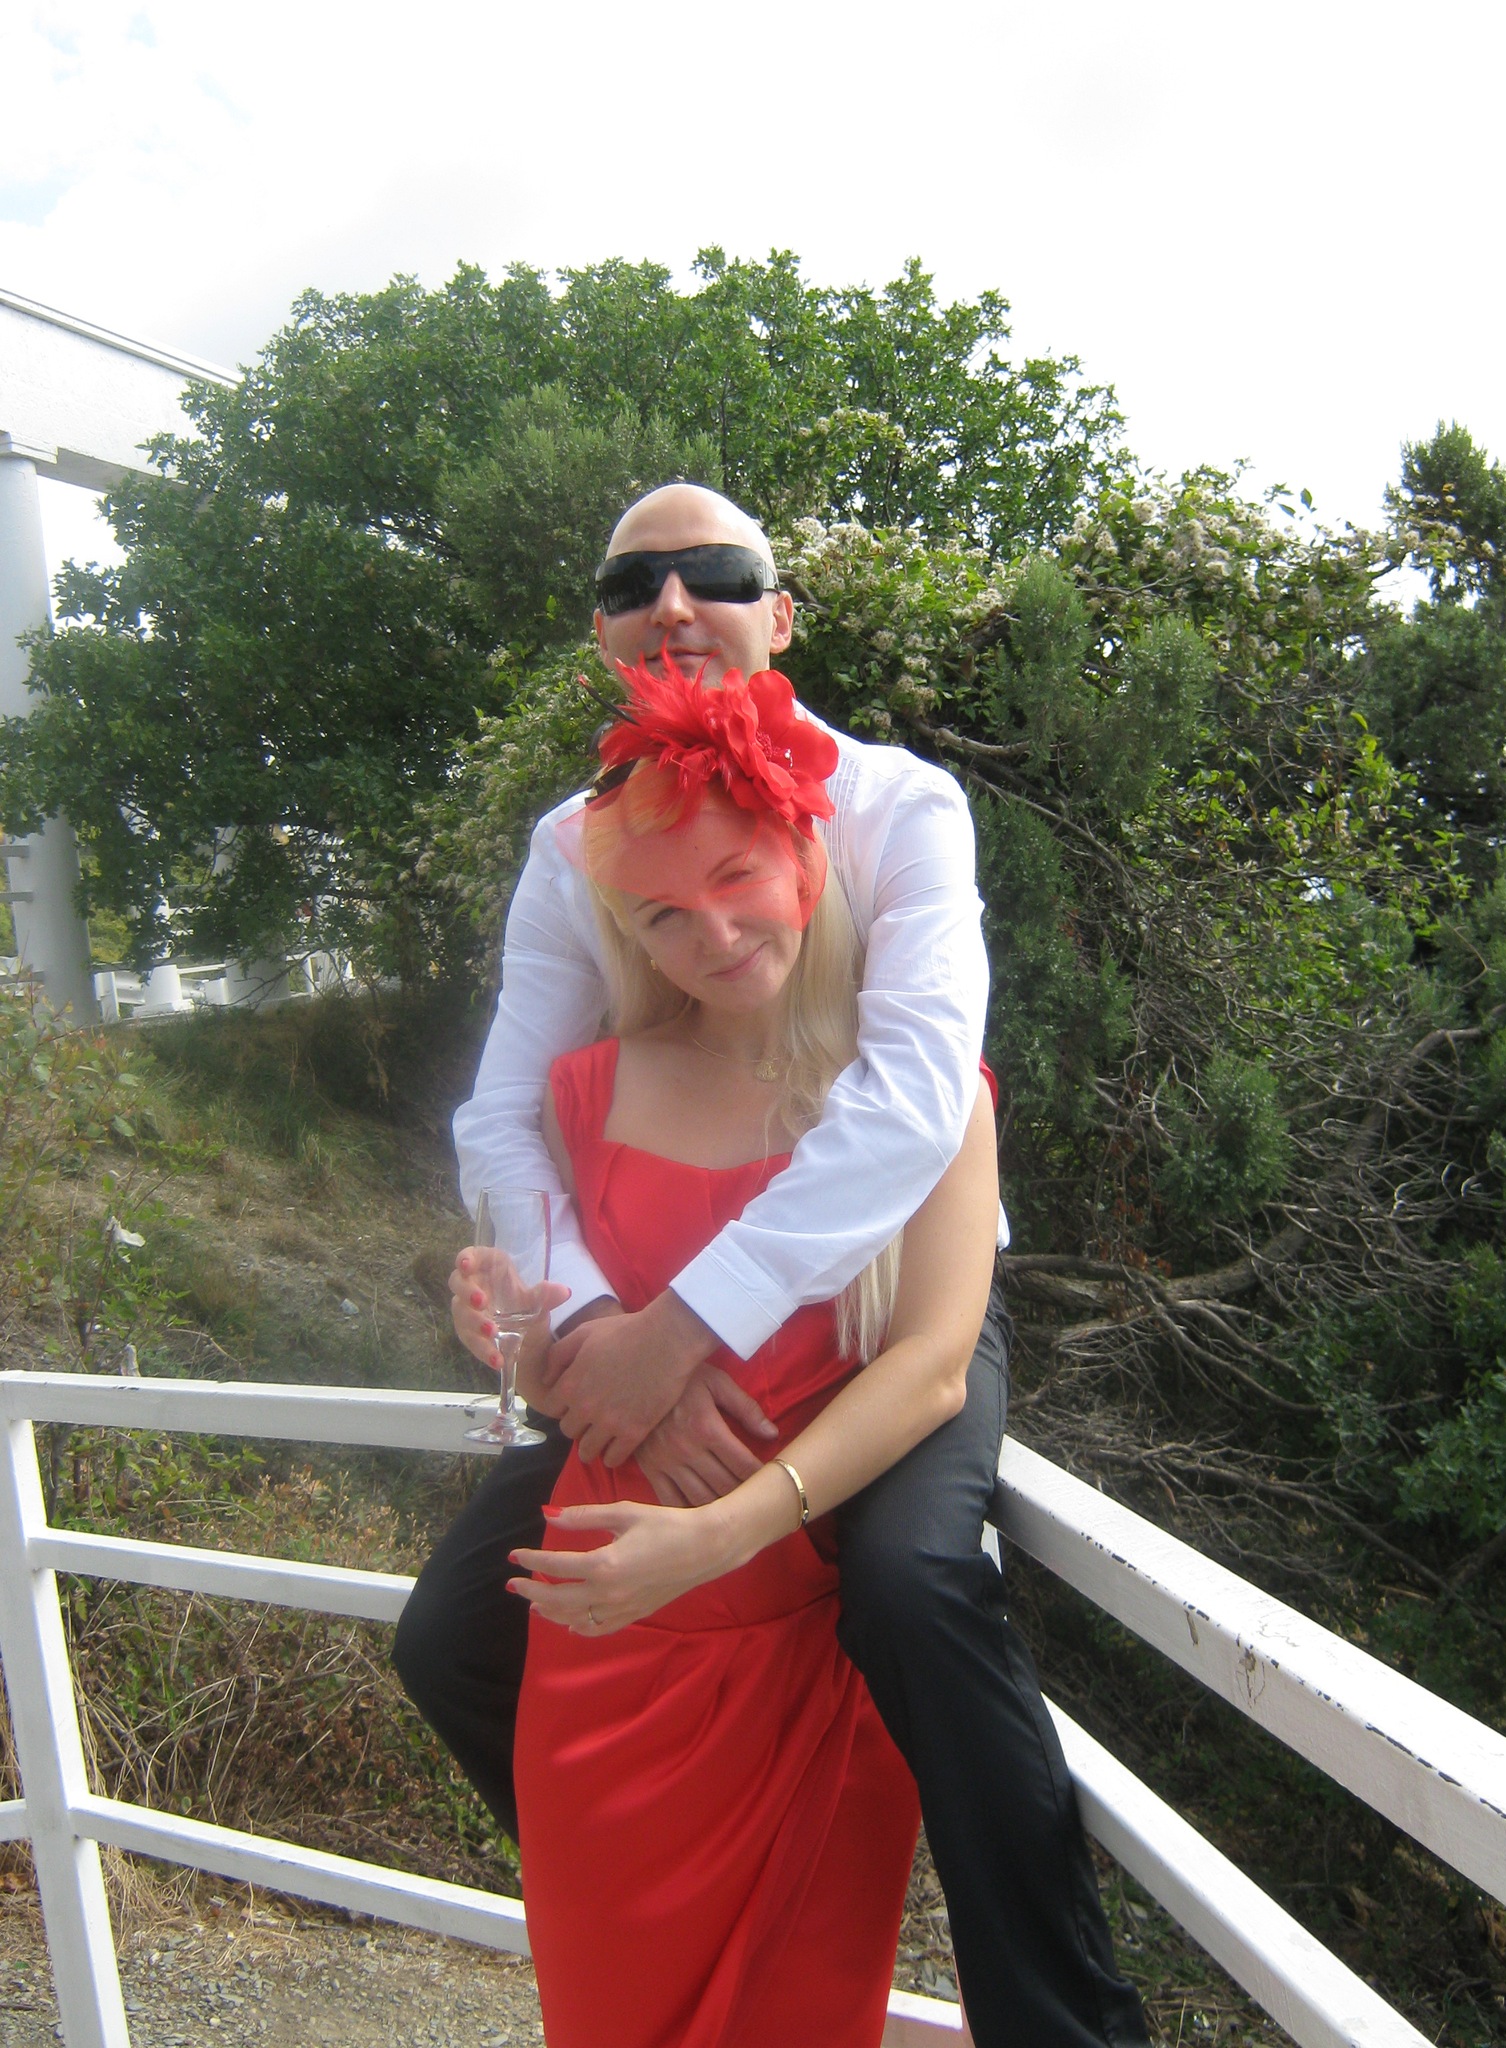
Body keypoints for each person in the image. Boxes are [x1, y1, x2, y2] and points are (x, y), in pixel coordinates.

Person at [393, 483, 1149, 2048]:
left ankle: (1060, 2027)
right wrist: (587, 1332)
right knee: (456, 1635)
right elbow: (509, 1113)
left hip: (892, 1294)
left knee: (911, 1585)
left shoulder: (900, 805)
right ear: (603, 636)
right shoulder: (578, 845)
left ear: (780, 613)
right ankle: (665, 1906)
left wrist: (686, 1332)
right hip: (646, 1309)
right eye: (634, 584)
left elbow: (919, 1094)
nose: (673, 604)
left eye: (715, 573)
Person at [506, 654, 998, 2045]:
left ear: (805, 856)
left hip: (798, 1655)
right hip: (603, 1652)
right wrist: (504, 1324)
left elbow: (932, 1369)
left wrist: (716, 1536)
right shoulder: (585, 1090)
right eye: (662, 914)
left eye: (736, 878)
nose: (712, 934)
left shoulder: (922, 1106)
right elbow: (547, 1352)